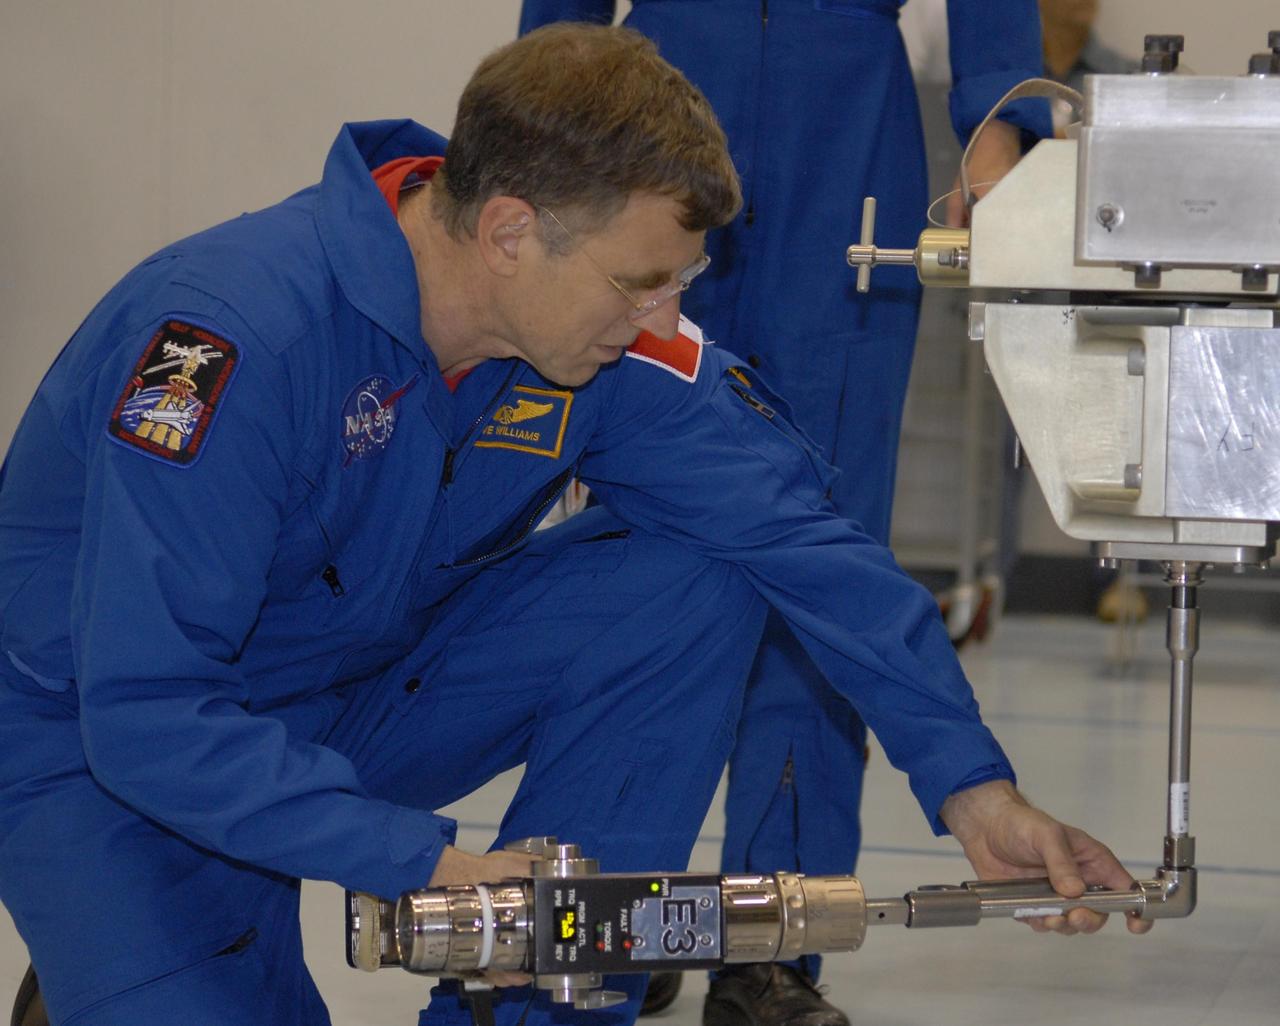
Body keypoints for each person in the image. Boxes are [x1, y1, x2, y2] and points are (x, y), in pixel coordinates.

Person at [0, 23, 1145, 1026]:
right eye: (639, 282)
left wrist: (972, 787)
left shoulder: (596, 340)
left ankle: (534, 1004)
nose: (666, 316)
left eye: (678, 284)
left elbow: (804, 543)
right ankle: (113, 962)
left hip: (350, 695)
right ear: (508, 231)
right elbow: (147, 712)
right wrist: (433, 866)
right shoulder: (230, 342)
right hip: (110, 753)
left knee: (700, 574)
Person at [516, 2, 1053, 1021]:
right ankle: (620, 906)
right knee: (636, 532)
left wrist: (996, 138)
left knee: (823, 545)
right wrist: (546, 142)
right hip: (653, 101)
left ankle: (773, 943)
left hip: (843, 130)